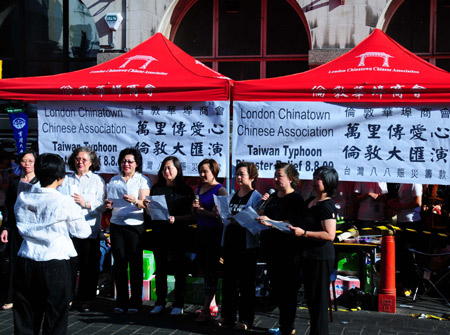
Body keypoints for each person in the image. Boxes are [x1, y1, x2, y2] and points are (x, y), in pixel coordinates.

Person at [13, 153, 91, 334]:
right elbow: (82, 232)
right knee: (55, 318)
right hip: (54, 263)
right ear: (60, 177)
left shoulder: (23, 197)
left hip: (26, 261)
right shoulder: (63, 201)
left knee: (25, 319)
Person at [256, 162, 305, 335]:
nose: (275, 179)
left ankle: (287, 326)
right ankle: (284, 325)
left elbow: (293, 224)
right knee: (277, 289)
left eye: (280, 176)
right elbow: (264, 215)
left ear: (291, 179)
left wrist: (271, 222)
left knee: (288, 292)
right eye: (275, 176)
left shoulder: (296, 199)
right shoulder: (273, 197)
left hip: (288, 251)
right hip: (271, 249)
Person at [290, 166, 339, 335]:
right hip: (307, 256)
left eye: (318, 178)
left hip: (320, 258)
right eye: (314, 177)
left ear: (327, 183)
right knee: (311, 300)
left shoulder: (327, 206)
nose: (314, 181)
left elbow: (329, 234)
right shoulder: (310, 201)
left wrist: (304, 233)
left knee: (319, 301)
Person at [144, 156, 195, 316]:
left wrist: (176, 219)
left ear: (178, 170)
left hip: (179, 233)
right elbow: (150, 214)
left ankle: (179, 302)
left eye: (170, 168)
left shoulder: (185, 190)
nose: (166, 171)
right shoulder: (157, 188)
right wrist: (147, 207)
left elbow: (192, 215)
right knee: (160, 268)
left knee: (180, 268)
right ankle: (160, 301)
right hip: (160, 233)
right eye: (164, 168)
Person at [59, 146, 105, 312]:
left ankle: (86, 300)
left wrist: (86, 203)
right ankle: (67, 298)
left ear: (92, 162)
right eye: (77, 159)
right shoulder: (67, 179)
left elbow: (103, 205)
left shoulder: (97, 181)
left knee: (88, 267)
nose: (80, 162)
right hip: (69, 230)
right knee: (69, 267)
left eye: (84, 160)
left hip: (89, 230)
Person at [105, 148, 150, 314]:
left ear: (136, 164)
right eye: (124, 161)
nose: (126, 164)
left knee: (135, 264)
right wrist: (108, 205)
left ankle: (135, 301)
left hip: (135, 225)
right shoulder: (114, 180)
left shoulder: (142, 180)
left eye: (130, 161)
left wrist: (134, 201)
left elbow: (145, 204)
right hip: (117, 224)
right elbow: (109, 202)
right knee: (119, 263)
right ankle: (121, 301)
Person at [218, 162, 262, 330]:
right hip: (230, 242)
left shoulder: (256, 197)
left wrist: (239, 221)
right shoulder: (232, 195)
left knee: (246, 283)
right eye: (237, 174)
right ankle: (227, 316)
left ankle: (245, 319)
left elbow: (256, 222)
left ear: (252, 177)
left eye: (242, 174)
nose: (238, 177)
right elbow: (226, 219)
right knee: (229, 281)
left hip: (246, 245)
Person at [0, 149, 38, 311]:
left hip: (35, 228)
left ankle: (33, 295)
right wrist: (6, 228)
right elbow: (8, 206)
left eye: (30, 161)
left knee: (34, 262)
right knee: (14, 262)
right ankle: (11, 297)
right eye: (24, 161)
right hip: (17, 227)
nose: (27, 164)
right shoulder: (15, 182)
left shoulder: (40, 182)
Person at [192, 158, 227, 323]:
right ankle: (210, 304)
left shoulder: (220, 190)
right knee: (204, 269)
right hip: (201, 232)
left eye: (205, 171)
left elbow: (224, 216)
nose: (202, 174)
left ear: (214, 172)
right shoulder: (200, 188)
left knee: (212, 270)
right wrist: (195, 209)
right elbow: (196, 212)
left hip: (214, 234)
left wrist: (205, 213)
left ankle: (206, 309)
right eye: (200, 171)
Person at [387, 183, 422, 296]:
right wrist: (394, 202)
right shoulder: (402, 182)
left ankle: (411, 285)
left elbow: (418, 202)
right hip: (401, 221)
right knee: (400, 255)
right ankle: (403, 284)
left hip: (412, 222)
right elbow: (403, 198)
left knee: (407, 254)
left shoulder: (415, 182)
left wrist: (400, 207)